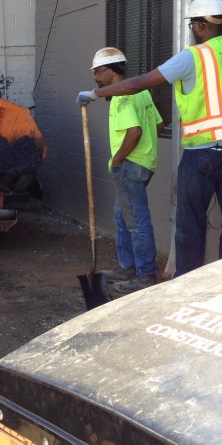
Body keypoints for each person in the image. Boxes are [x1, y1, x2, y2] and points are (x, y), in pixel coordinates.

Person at [79, 0, 222, 277]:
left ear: (201, 25)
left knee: (191, 226)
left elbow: (138, 83)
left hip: (203, 153)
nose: (192, 30)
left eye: (192, 25)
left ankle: (185, 288)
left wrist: (95, 93)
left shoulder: (194, 57)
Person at [87, 48, 163, 294]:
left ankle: (144, 276)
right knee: (122, 217)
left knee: (136, 222)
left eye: (98, 73)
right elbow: (159, 123)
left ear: (110, 71)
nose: (96, 79)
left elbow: (135, 131)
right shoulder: (141, 91)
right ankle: (126, 268)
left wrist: (118, 160)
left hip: (130, 165)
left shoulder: (121, 98)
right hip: (144, 162)